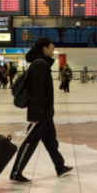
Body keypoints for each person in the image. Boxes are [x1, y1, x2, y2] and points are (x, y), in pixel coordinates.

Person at [10, 38, 73, 183]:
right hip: (40, 113)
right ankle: (16, 172)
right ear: (45, 48)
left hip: (46, 113)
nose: (54, 48)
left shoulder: (41, 63)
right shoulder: (41, 64)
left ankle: (60, 167)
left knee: (51, 142)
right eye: (52, 46)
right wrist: (34, 115)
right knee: (29, 144)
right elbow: (36, 91)